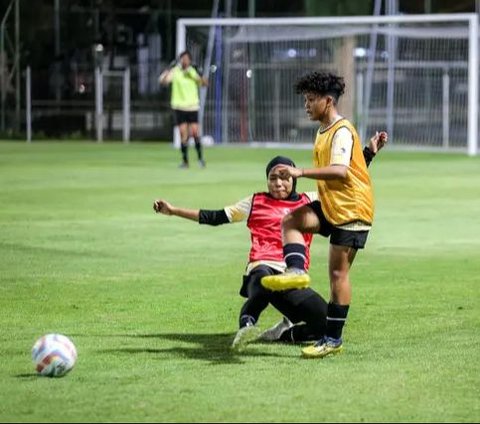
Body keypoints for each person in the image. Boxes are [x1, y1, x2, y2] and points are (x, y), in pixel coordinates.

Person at [153, 133, 385, 351]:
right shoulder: (255, 202)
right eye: (273, 178)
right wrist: (173, 211)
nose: (278, 183)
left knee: (326, 325)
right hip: (262, 266)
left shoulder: (310, 201)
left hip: (292, 277)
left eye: (284, 177)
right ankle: (246, 325)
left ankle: (282, 333)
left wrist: (369, 153)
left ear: (294, 178)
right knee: (263, 282)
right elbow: (214, 217)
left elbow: (344, 179)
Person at [261, 72, 384, 359]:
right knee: (292, 220)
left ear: (328, 101)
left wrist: (300, 172)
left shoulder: (341, 130)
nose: (306, 104)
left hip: (352, 210)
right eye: (305, 99)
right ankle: (295, 271)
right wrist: (369, 152)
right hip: (333, 205)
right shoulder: (324, 130)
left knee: (338, 274)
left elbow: (341, 172)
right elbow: (352, 168)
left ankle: (333, 339)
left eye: (311, 99)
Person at [159, 50, 208, 168]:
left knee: (195, 133)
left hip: (192, 107)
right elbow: (163, 81)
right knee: (183, 134)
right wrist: (168, 69)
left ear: (190, 60)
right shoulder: (175, 71)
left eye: (186, 58)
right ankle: (185, 161)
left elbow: (204, 84)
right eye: (182, 58)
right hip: (179, 107)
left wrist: (201, 75)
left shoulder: (192, 71)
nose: (184, 60)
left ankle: (200, 158)